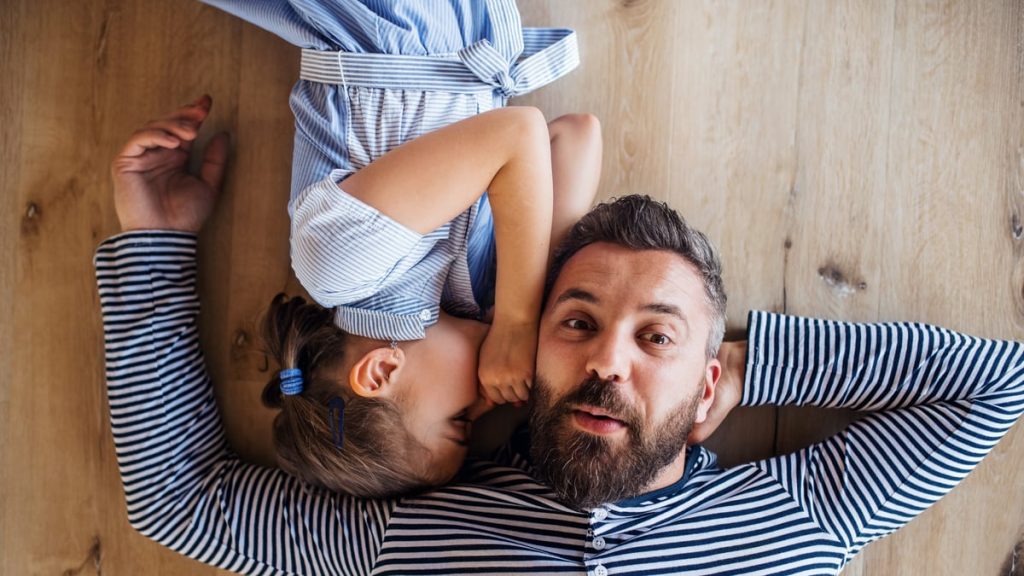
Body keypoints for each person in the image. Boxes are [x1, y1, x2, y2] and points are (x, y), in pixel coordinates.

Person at [100, 98, 1024, 575]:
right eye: (576, 322)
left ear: (707, 384)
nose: (606, 363)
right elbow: (186, 505)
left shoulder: (794, 525)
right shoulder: (405, 537)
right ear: (527, 342)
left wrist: (746, 365)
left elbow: (997, 383)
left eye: (657, 340)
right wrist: (155, 243)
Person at [194, 0, 599, 497]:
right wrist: (528, 308)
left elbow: (519, 132)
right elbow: (575, 137)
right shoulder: (470, 291)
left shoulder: (338, 270)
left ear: (381, 370)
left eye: (461, 419)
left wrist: (516, 322)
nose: (486, 402)